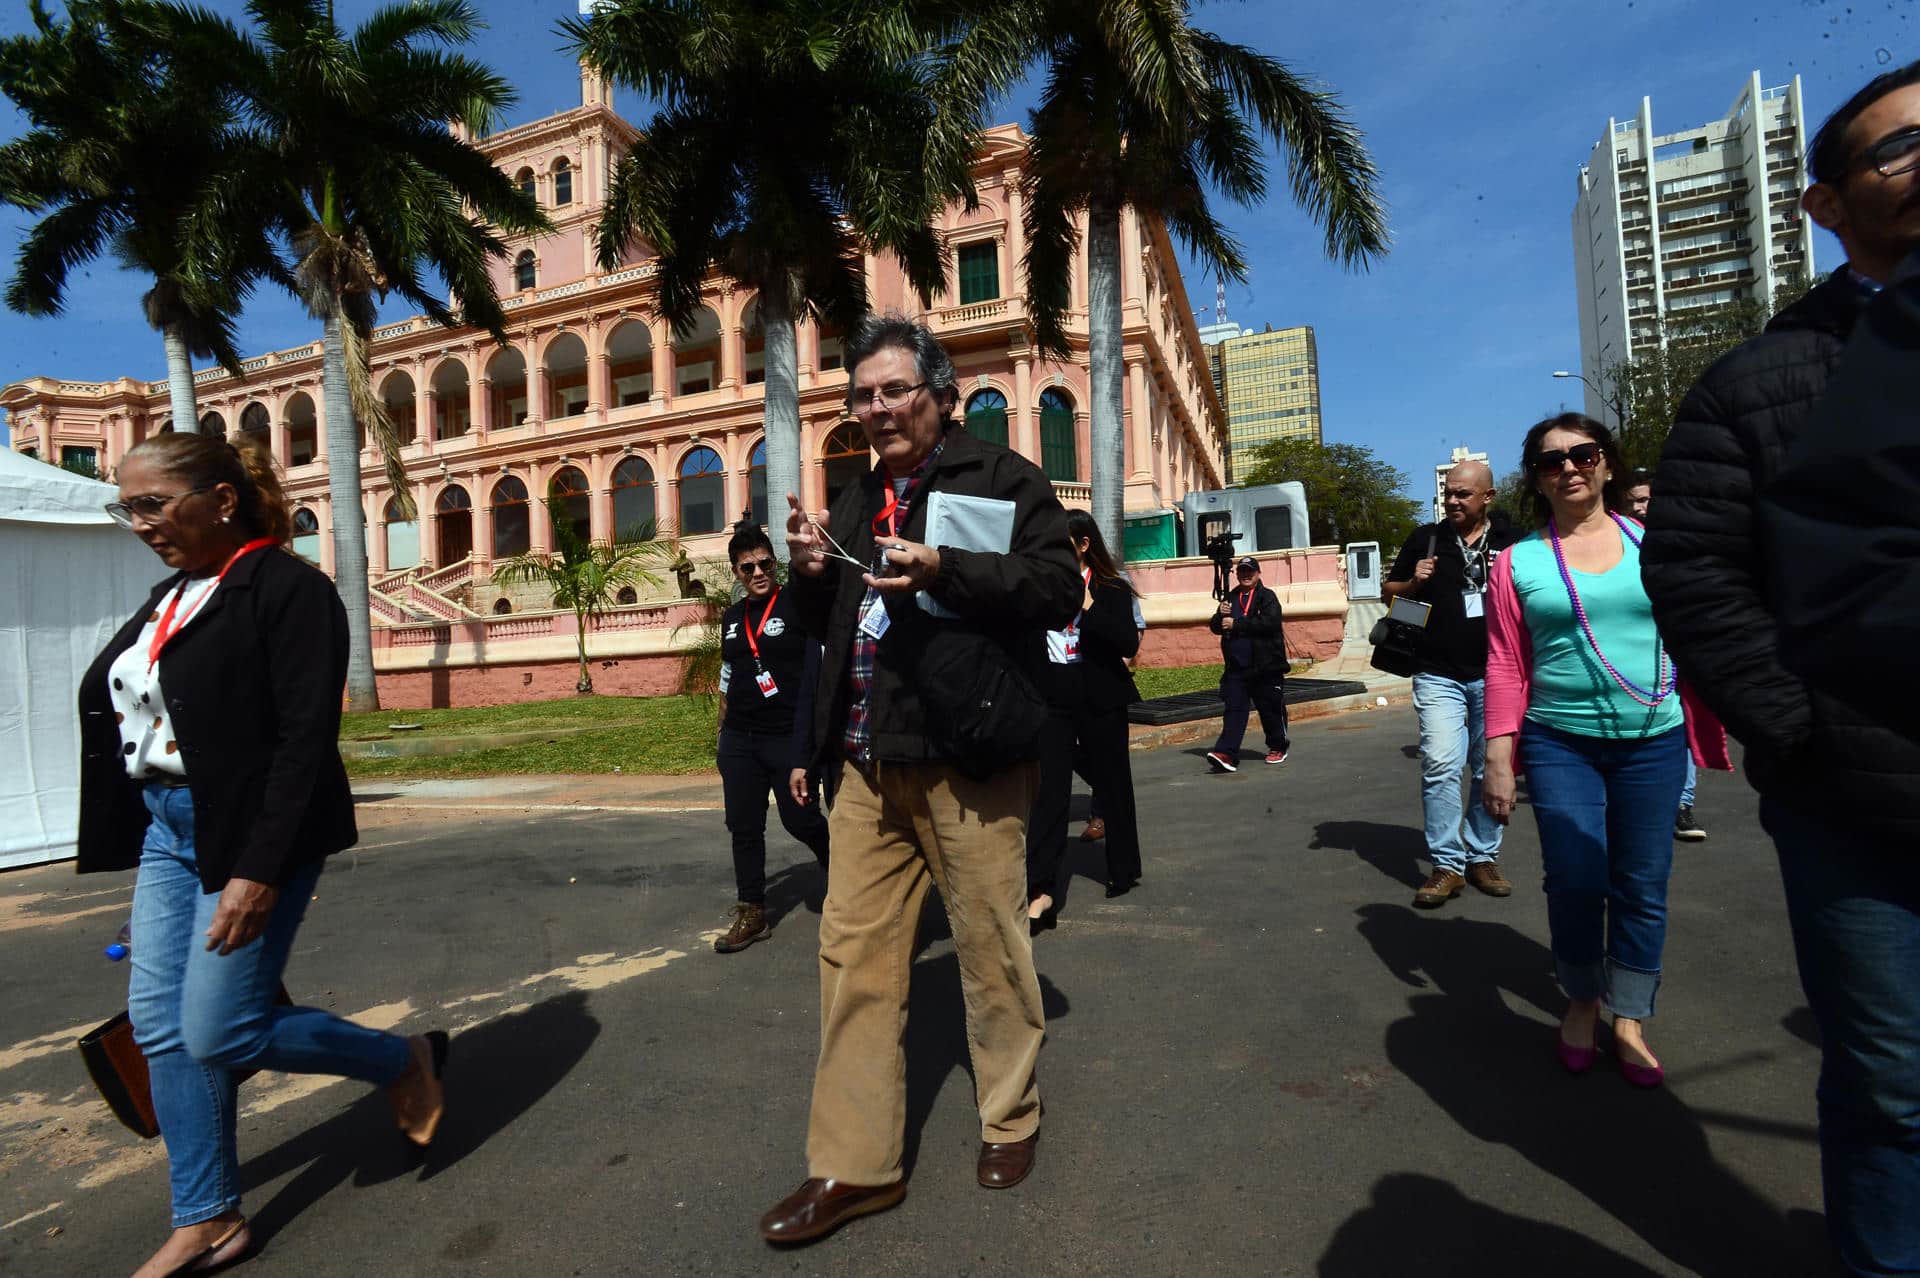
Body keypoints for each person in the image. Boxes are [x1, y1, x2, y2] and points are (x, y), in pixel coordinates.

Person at [1641, 63, 1920, 1275]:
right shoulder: (1757, 386)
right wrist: (1794, 727)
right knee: (1893, 1084)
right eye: (1901, 150)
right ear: (1825, 204)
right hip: (1857, 796)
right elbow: (1697, 574)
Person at [76, 434, 446, 1278]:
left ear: (223, 498)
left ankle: (402, 1059)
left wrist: (259, 871)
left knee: (221, 1028)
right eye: (124, 507)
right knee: (164, 1029)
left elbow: (302, 743)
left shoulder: (289, 590)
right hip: (166, 831)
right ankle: (207, 1219)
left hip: (248, 834)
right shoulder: (173, 596)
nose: (137, 524)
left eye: (151, 504)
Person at [761, 314, 1080, 1245]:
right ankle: (854, 1168)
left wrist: (952, 566)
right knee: (850, 962)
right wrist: (811, 569)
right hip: (867, 763)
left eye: (896, 389)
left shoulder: (1003, 477)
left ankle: (1010, 1119)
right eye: (862, 394)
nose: (878, 408)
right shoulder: (855, 498)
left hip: (968, 758)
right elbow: (827, 622)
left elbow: (1057, 588)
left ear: (939, 394)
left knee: (990, 948)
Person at [1482, 414, 1729, 1090]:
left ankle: (1630, 1014)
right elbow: (1505, 663)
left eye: (1583, 453)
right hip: (1560, 740)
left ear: (1607, 464)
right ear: (1534, 478)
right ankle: (1583, 1000)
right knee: (1576, 878)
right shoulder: (1518, 561)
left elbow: (1699, 628)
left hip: (1653, 740)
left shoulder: (1656, 545)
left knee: (1642, 884)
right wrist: (1499, 757)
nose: (1569, 467)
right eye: (1550, 460)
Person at [1384, 459, 1519, 908]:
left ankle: (1482, 856)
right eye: (1449, 493)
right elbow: (1390, 592)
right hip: (1436, 670)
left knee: (1488, 769)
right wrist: (1411, 581)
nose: (1454, 500)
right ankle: (1447, 864)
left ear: (1488, 497)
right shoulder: (1426, 537)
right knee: (1441, 763)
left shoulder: (1510, 539)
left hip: (1497, 673)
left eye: (1464, 493)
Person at [712, 524, 830, 953]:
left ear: (774, 563)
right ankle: (753, 911)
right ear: (736, 572)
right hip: (741, 740)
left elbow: (818, 669)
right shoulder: (732, 617)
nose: (758, 573)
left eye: (765, 563)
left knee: (799, 819)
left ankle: (838, 864)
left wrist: (809, 746)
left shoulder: (796, 603)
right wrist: (721, 733)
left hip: (788, 737)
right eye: (748, 568)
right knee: (744, 827)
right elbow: (729, 674)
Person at [1027, 509, 1144, 930]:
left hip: (1100, 697)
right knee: (1048, 793)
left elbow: (1127, 641)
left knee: (1113, 783)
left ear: (1082, 544)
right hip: (1053, 699)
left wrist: (1088, 604)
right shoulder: (1040, 587)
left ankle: (1123, 867)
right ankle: (1040, 891)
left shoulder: (1111, 587)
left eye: (1060, 544)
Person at [1620, 468, 1706, 842]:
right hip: (1635, 654)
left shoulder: (1681, 539)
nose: (1639, 508)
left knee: (1685, 727)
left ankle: (1682, 805)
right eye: (1632, 502)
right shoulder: (1617, 544)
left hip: (1680, 647)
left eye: (1645, 500)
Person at [1203, 556, 1289, 773]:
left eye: (1250, 571)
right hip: (1237, 668)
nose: (1246, 575)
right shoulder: (1230, 598)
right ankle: (1227, 753)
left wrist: (1237, 623)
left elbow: (1270, 622)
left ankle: (1278, 746)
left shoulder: (1266, 597)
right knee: (1234, 710)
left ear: (1258, 574)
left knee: (1270, 709)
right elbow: (1216, 626)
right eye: (1242, 571)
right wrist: (1219, 617)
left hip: (1265, 665)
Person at [1079, 582, 1147, 843]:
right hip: (1071, 685)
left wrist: (1122, 663)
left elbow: (1135, 628)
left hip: (1103, 686)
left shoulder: (1112, 582)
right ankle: (1104, 789)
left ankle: (1101, 814)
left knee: (1105, 753)